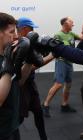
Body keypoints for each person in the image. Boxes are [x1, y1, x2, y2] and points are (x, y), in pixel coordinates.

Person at [16, 17, 53, 140]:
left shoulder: (29, 43)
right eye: (31, 29)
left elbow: (37, 60)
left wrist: (46, 51)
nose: (34, 32)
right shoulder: (19, 45)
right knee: (18, 118)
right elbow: (32, 66)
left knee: (38, 112)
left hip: (31, 84)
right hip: (20, 87)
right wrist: (52, 55)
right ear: (25, 29)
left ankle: (44, 137)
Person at [0, 12, 33, 140]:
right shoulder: (8, 57)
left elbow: (19, 82)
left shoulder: (9, 54)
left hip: (12, 125)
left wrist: (30, 60)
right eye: (11, 32)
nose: (16, 36)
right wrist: (9, 63)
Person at [42, 16, 81, 117]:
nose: (73, 24)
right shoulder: (58, 35)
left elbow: (82, 38)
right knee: (59, 84)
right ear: (65, 23)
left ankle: (64, 104)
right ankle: (45, 104)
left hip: (69, 62)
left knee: (68, 84)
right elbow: (53, 48)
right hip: (61, 62)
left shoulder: (72, 34)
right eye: (71, 22)